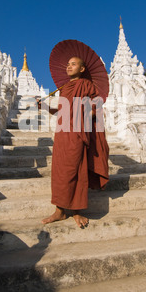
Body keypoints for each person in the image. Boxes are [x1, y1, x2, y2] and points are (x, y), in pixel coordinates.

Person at [38, 56, 109, 228]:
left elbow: (96, 108)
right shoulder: (64, 88)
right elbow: (63, 111)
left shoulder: (87, 85)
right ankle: (60, 211)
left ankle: (77, 211)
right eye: (68, 64)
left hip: (78, 131)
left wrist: (83, 116)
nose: (69, 66)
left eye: (74, 64)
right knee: (60, 169)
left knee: (76, 167)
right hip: (62, 132)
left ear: (82, 69)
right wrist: (45, 107)